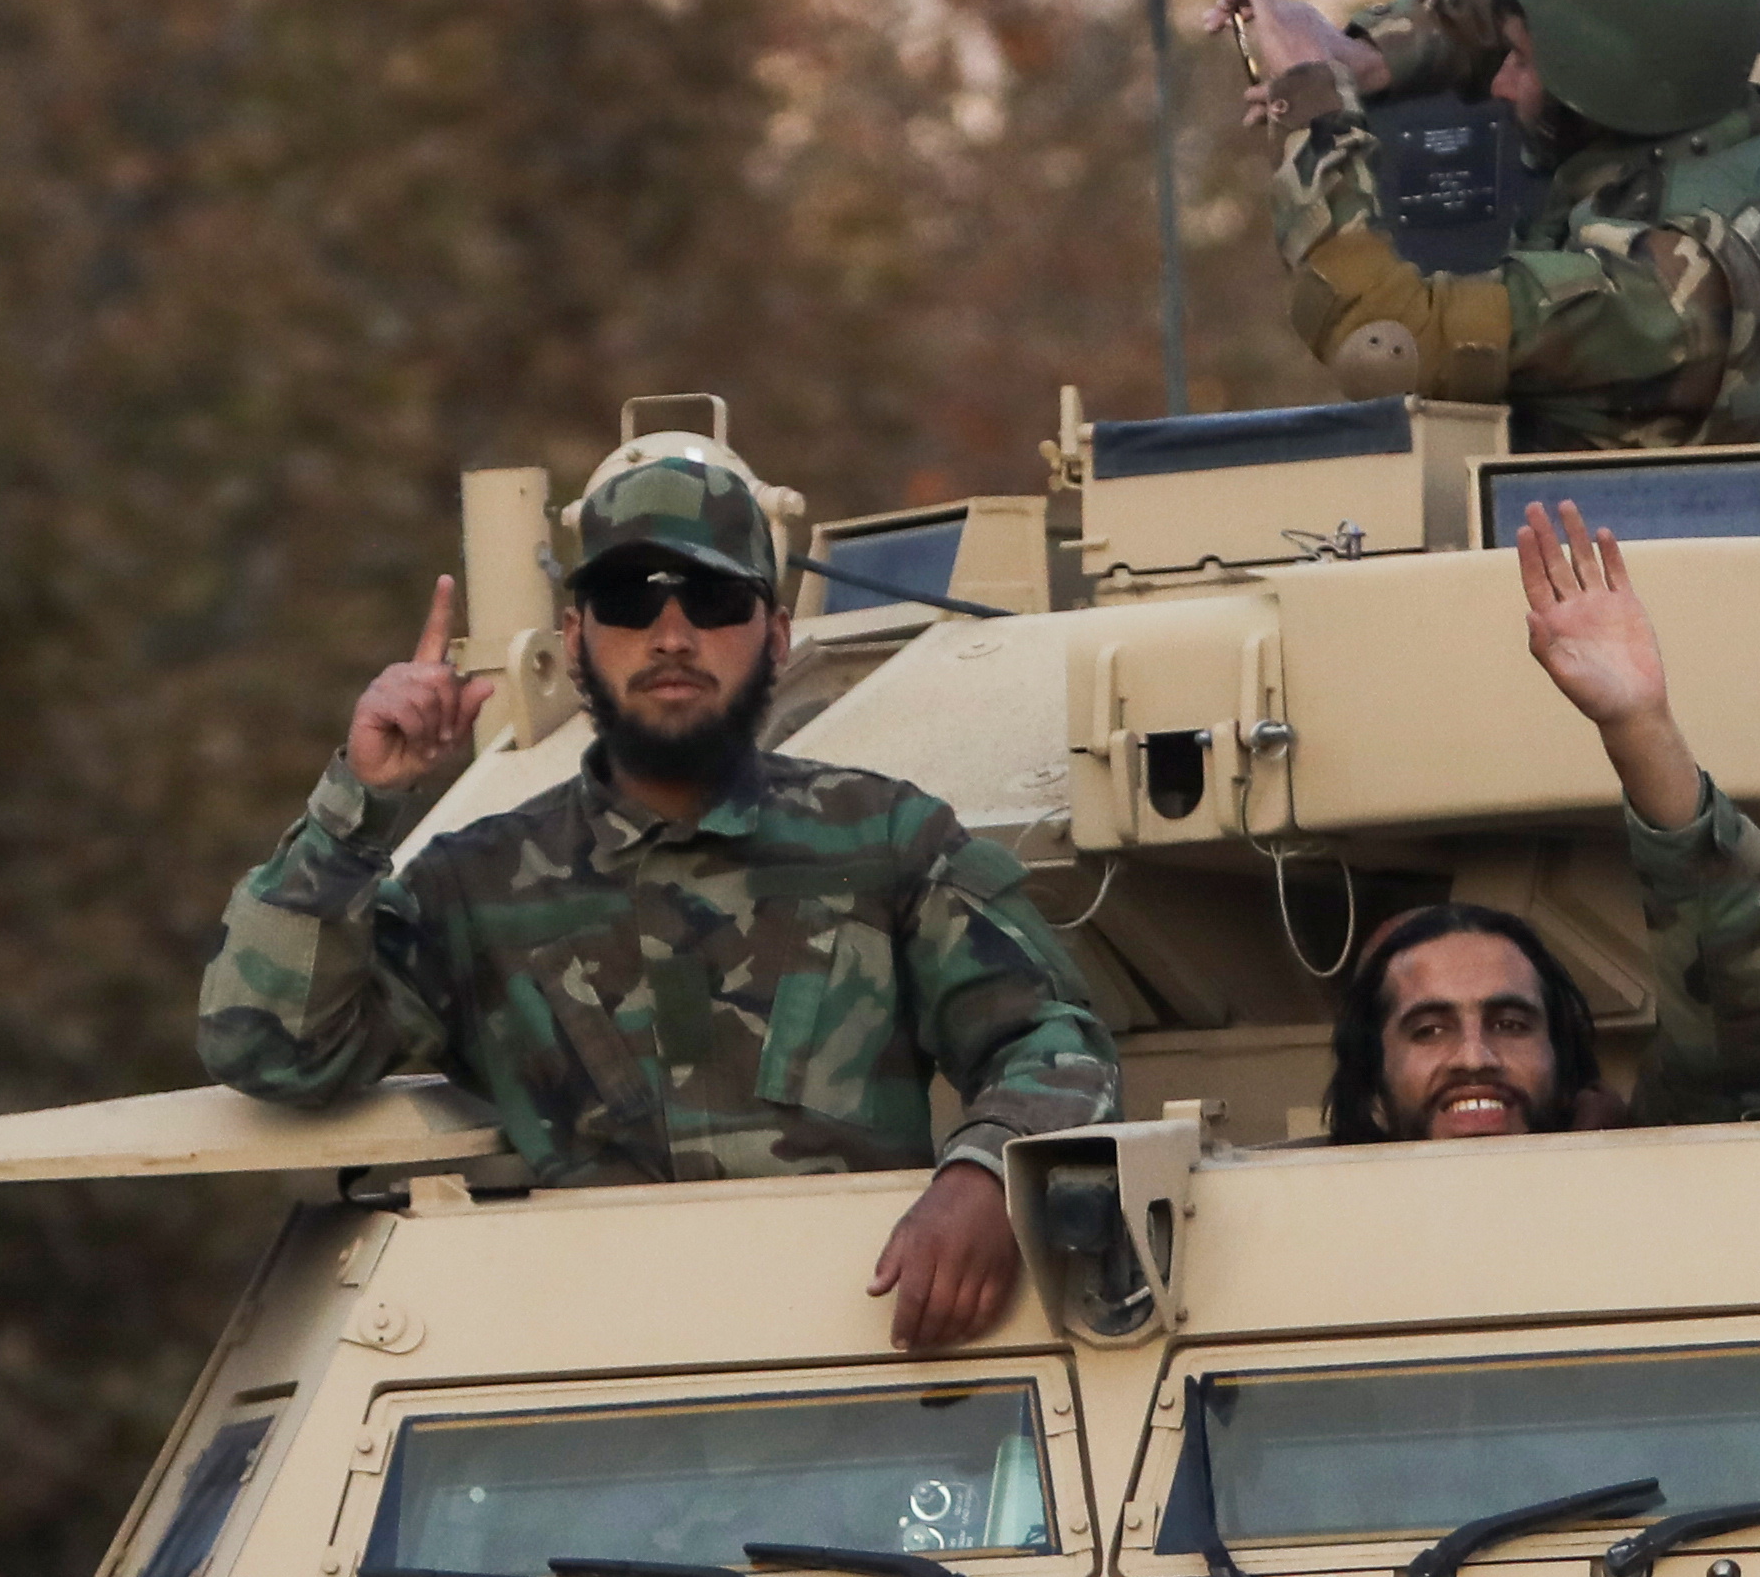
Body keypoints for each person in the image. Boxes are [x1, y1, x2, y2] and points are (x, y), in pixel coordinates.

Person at [198, 438, 1114, 1348]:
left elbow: (1053, 1038)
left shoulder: (883, 842)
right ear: (574, 637)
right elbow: (269, 1051)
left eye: (713, 599)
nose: (672, 636)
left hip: (864, 1362)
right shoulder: (475, 888)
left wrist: (985, 1178)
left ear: (780, 635)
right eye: (629, 599)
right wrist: (357, 805)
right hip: (604, 1388)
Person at [1219, 0, 1760, 453]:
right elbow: (1519, 9)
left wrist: (1307, 101)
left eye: (1522, 64)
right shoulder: (1707, 104)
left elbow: (1382, 342)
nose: (1500, 83)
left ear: (1600, 88)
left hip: (1651, 560)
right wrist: (1369, 55)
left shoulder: (1664, 292)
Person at [1325, 502, 1760, 1145]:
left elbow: (1752, 1016)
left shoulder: (1641, 1178)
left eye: (1512, 1023)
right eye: (1428, 1028)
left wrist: (1638, 724)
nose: (1474, 1058)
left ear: (1566, 1069)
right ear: (1372, 1083)